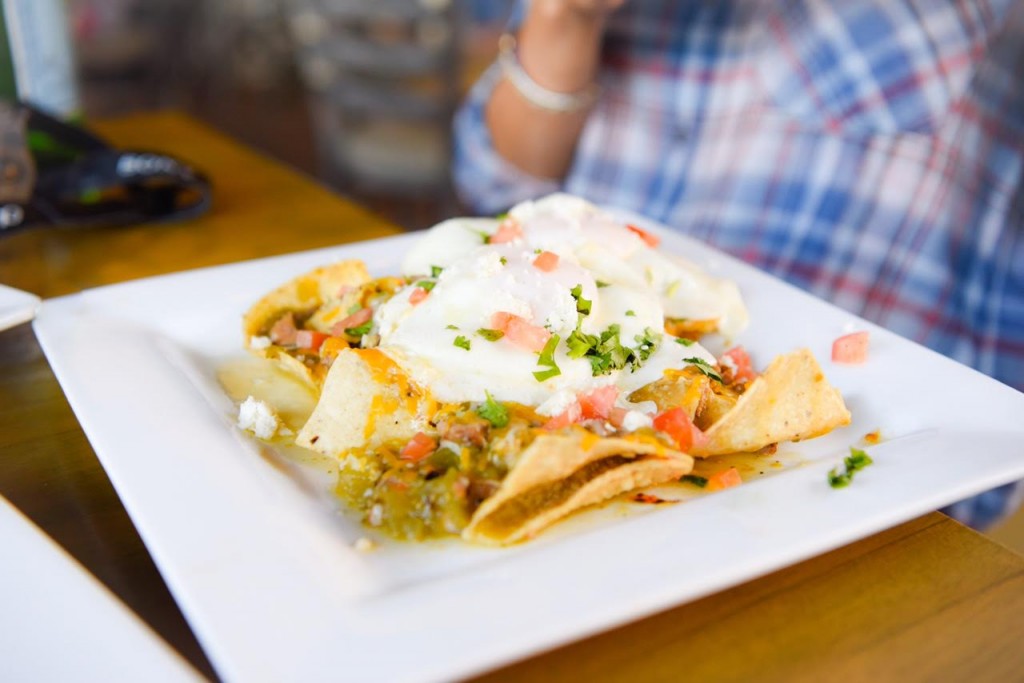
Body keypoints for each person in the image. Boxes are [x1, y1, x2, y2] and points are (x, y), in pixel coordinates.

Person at [452, 0, 1024, 529]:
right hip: (569, 391)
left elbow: (889, 58)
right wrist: (566, 17)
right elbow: (497, 179)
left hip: (867, 471)